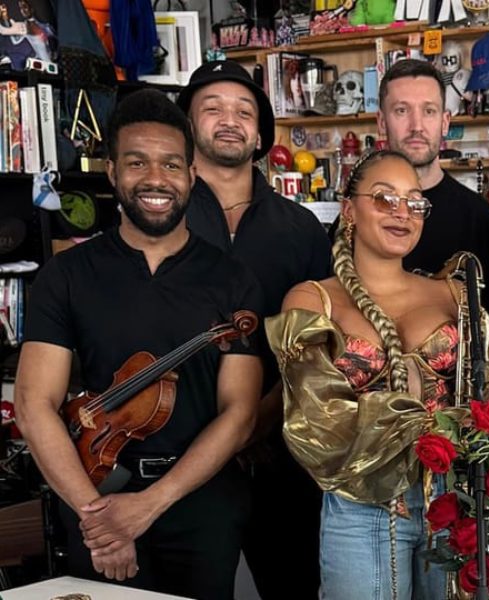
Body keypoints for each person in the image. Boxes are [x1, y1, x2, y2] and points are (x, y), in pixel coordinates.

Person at [266, 149, 489, 599]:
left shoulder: (454, 293)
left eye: (415, 202)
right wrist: (427, 418)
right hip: (363, 509)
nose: (403, 213)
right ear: (349, 210)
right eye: (384, 199)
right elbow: (314, 426)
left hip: (455, 499)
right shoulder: (311, 301)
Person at [13, 89, 264, 599]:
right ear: (111, 172)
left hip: (199, 499)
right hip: (94, 489)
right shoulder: (66, 275)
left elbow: (239, 414)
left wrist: (150, 504)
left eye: (171, 164)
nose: (155, 179)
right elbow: (32, 404)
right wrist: (99, 518)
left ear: (192, 175)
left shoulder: (232, 281)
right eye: (137, 163)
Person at [177, 59, 332, 599]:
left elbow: (320, 343)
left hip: (283, 452)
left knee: (296, 587)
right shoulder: (160, 217)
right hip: (182, 451)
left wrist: (257, 423)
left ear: (261, 133)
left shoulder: (302, 227)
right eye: (213, 108)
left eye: (244, 111)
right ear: (188, 125)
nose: (229, 120)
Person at [376, 58, 489, 311]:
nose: (416, 126)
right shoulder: (360, 217)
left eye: (429, 111)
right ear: (382, 122)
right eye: (402, 111)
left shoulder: (481, 222)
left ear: (445, 122)